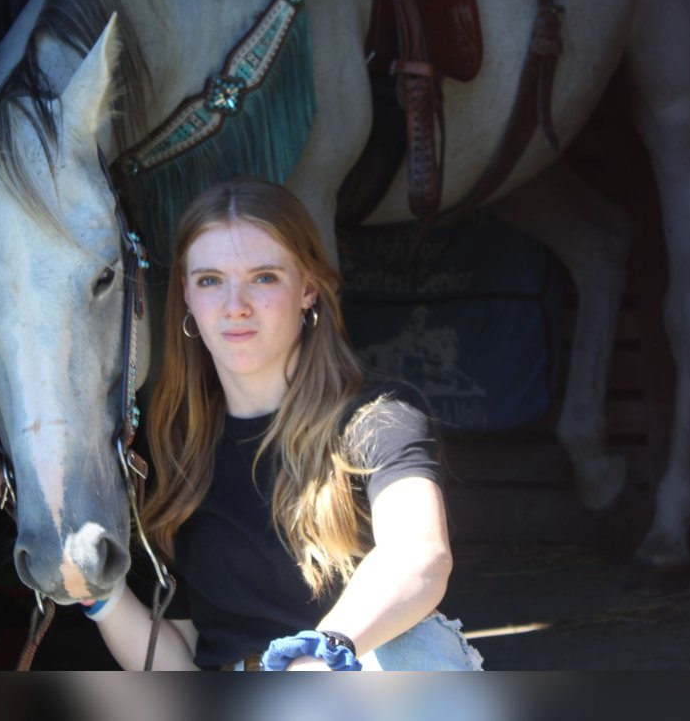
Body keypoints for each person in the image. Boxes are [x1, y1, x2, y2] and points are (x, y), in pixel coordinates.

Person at [77, 178, 480, 670]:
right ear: (186, 296)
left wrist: (319, 655)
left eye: (263, 277)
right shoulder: (175, 448)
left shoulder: (379, 416)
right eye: (210, 280)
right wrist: (100, 595)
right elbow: (178, 663)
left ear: (308, 289)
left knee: (421, 651)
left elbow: (419, 555)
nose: (235, 305)